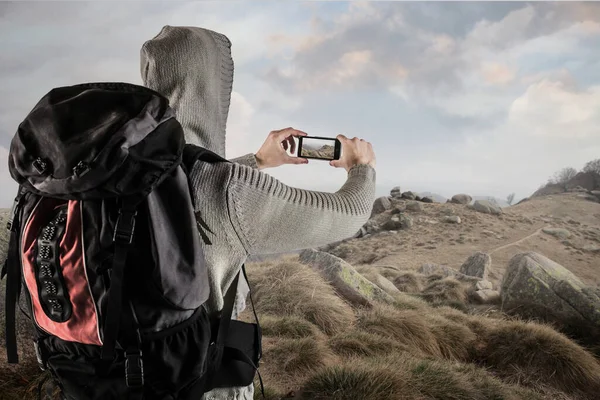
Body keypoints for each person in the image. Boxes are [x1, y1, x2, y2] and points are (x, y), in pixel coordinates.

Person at [140, 25, 376, 400]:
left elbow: (188, 190)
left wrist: (259, 161)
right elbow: (351, 211)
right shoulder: (226, 189)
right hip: (188, 378)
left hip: (99, 372)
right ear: (210, 93)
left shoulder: (126, 167)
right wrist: (361, 166)